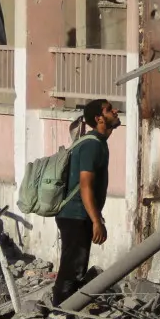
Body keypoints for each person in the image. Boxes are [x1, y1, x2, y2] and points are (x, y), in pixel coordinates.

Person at [51, 99, 120, 307]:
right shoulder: (91, 145)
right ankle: (61, 315)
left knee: (75, 268)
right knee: (72, 270)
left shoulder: (96, 142)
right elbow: (85, 186)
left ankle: (65, 313)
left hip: (77, 215)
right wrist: (96, 220)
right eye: (109, 110)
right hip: (75, 215)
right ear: (99, 118)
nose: (115, 111)